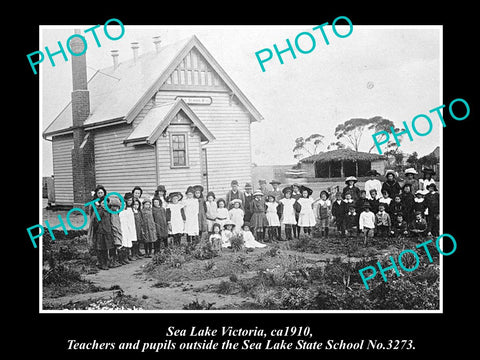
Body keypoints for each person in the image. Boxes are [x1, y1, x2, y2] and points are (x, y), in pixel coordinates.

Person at [91, 198, 114, 270]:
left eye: (106, 203)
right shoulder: (100, 211)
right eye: (103, 203)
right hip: (101, 232)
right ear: (100, 204)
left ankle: (106, 262)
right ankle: (102, 264)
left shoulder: (108, 211)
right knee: (101, 249)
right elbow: (96, 221)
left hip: (107, 232)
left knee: (106, 248)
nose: (104, 205)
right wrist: (99, 228)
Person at [119, 193, 136, 261]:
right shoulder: (120, 212)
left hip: (128, 227)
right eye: (128, 200)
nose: (129, 202)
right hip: (122, 228)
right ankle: (122, 258)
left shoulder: (128, 210)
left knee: (128, 241)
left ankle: (127, 256)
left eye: (131, 200)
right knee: (123, 242)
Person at [109, 195, 123, 267]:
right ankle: (112, 261)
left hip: (117, 231)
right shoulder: (111, 214)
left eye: (116, 206)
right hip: (113, 231)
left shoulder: (117, 213)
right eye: (113, 206)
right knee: (113, 247)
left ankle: (115, 260)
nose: (115, 208)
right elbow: (113, 223)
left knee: (117, 246)